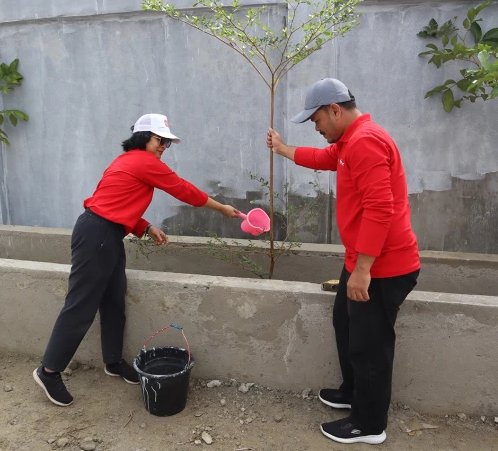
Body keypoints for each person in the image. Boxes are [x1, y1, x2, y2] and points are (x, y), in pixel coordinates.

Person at [33, 113, 240, 407]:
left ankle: (113, 361)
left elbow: (115, 202)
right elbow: (182, 189)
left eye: (167, 142)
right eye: (160, 140)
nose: (164, 146)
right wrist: (222, 208)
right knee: (81, 305)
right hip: (98, 234)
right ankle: (49, 371)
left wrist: (145, 226)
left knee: (114, 301)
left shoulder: (125, 162)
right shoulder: (143, 161)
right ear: (143, 138)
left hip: (107, 234)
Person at [267, 79, 420, 445]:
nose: (316, 128)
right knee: (346, 324)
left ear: (335, 110)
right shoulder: (349, 142)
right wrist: (283, 149)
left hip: (382, 266)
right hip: (363, 260)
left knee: (370, 345)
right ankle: (354, 393)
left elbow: (380, 208)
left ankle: (369, 424)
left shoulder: (365, 141)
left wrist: (363, 270)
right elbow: (321, 159)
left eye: (316, 120)